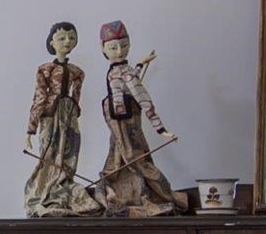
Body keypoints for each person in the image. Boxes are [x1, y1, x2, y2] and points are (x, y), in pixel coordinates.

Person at [95, 21, 179, 216]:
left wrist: (160, 128)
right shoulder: (118, 73)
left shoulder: (125, 71)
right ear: (103, 48)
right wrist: (159, 127)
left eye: (124, 45)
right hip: (118, 119)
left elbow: (137, 88)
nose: (119, 51)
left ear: (129, 44)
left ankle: (138, 193)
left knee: (134, 153)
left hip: (130, 118)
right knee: (122, 154)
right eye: (113, 47)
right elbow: (135, 86)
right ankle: (117, 194)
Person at [23, 21, 87, 216]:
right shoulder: (45, 69)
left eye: (71, 37)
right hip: (50, 115)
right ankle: (45, 191)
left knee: (70, 150)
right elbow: (39, 97)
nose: (67, 41)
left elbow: (77, 96)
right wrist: (30, 129)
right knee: (49, 152)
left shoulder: (78, 71)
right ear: (52, 42)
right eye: (61, 38)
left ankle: (63, 187)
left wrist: (73, 110)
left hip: (68, 116)